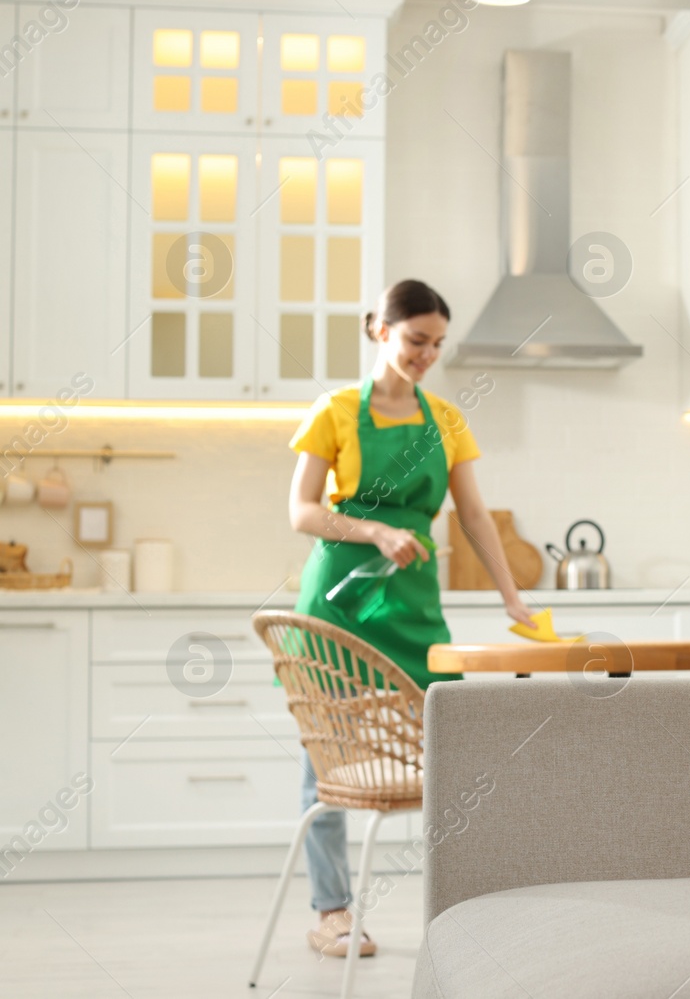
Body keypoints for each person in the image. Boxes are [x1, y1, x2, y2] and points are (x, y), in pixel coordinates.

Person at [284, 278, 537, 959]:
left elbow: (476, 517)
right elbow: (302, 510)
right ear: (380, 330)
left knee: (452, 752)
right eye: (416, 339)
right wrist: (372, 530)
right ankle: (334, 911)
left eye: (437, 344)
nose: (427, 354)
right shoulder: (335, 411)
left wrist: (512, 597)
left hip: (415, 606)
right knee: (326, 766)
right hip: (339, 603)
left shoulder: (447, 419)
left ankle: (465, 903)